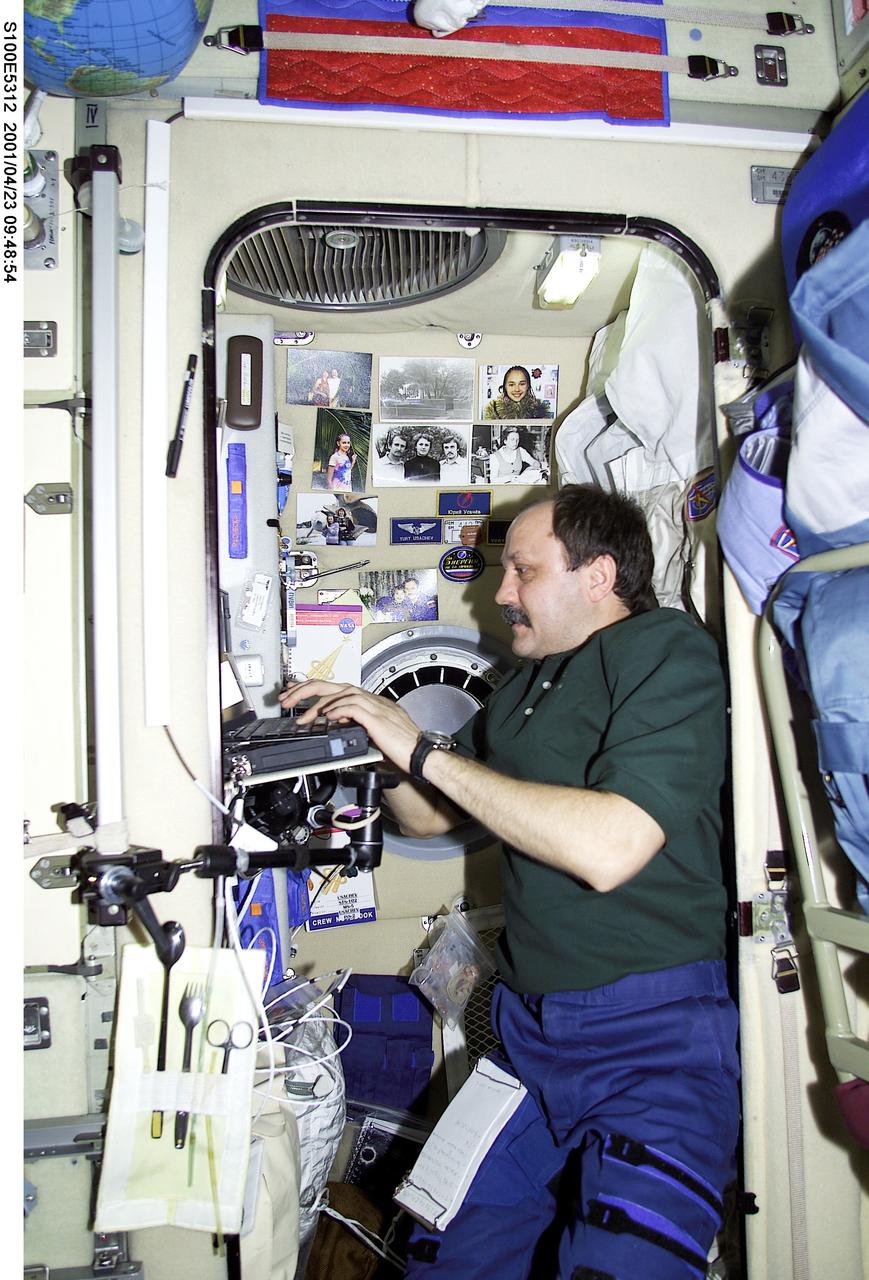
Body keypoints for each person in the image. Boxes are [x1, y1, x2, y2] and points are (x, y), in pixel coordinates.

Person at [279, 485, 739, 1280]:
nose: (500, 592)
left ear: (598, 576)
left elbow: (610, 847)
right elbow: (434, 817)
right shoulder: (525, 688)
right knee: (441, 1257)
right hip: (530, 1036)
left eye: (523, 570)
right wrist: (371, 750)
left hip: (651, 1037)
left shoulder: (664, 650)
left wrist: (420, 748)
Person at [483, 365, 550, 420]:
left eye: (522, 384)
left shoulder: (539, 410)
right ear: (505, 386)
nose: (517, 389)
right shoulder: (493, 410)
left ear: (528, 386)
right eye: (511, 385)